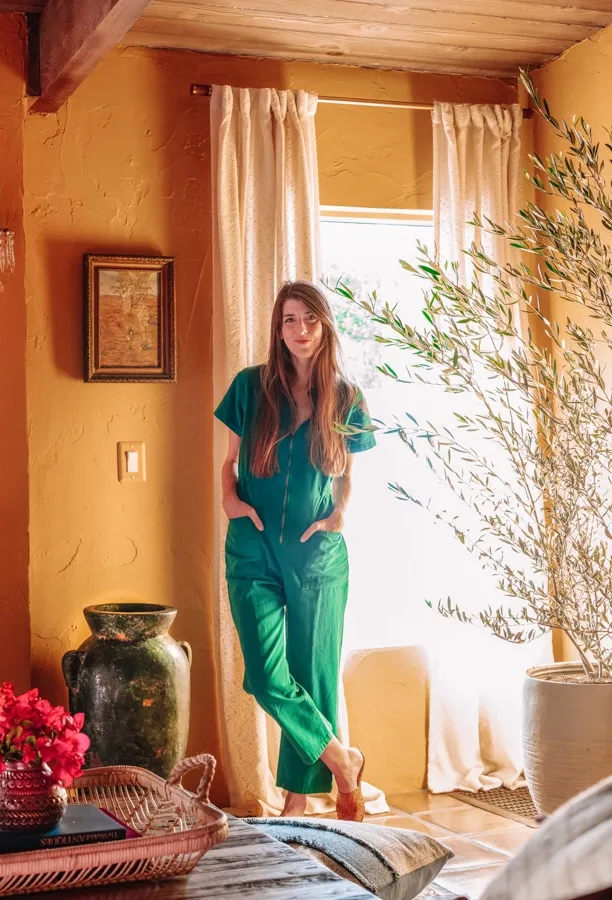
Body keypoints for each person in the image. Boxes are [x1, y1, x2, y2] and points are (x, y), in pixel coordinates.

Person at [214, 280, 377, 820]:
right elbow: (229, 465)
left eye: (309, 319)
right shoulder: (248, 387)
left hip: (318, 553)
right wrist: (230, 502)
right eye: (289, 320)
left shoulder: (347, 397)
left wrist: (341, 514)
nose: (299, 330)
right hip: (253, 547)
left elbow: (347, 476)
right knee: (264, 674)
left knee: (313, 672)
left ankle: (297, 801)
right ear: (277, 328)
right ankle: (341, 759)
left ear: (325, 324)